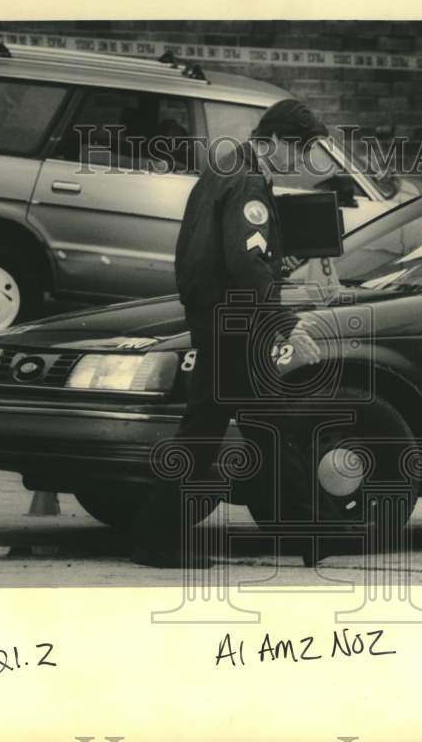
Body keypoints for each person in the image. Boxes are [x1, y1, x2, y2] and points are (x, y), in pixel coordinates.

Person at [130, 99, 326, 567]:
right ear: (277, 140)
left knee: (245, 427)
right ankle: (309, 535)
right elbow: (244, 262)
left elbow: (222, 250)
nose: (299, 163)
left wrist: (275, 261)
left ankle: (309, 535)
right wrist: (285, 324)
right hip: (235, 323)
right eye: (299, 152)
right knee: (247, 428)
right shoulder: (249, 182)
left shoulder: (225, 168)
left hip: (216, 317)